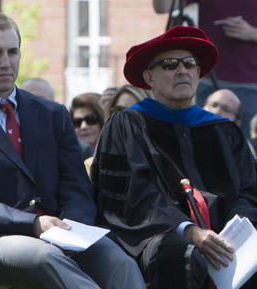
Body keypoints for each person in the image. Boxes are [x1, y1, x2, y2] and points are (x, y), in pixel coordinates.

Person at [0, 11, 146, 289]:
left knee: (121, 264)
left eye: (12, 52)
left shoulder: (52, 114)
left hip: (64, 233)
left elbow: (76, 186)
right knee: (45, 258)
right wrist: (34, 224)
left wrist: (70, 231)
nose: (6, 62)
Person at [91, 25, 257, 289]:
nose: (182, 70)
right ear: (150, 77)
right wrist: (189, 231)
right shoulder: (127, 125)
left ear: (198, 73)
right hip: (158, 234)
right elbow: (133, 196)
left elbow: (249, 191)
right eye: (169, 64)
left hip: (225, 235)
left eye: (189, 63)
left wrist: (237, 230)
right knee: (181, 253)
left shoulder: (223, 130)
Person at [153, 0, 257, 138]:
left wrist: (252, 33)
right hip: (208, 80)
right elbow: (162, 7)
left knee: (245, 148)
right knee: (204, 142)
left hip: (249, 85)